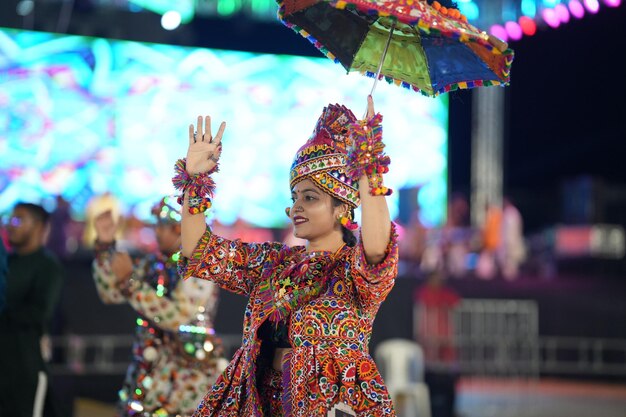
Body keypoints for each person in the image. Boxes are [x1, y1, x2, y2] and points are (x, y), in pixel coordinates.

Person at [177, 97, 399, 417]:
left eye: (310, 198)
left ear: (343, 207)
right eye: (295, 198)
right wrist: (194, 181)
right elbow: (199, 250)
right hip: (261, 403)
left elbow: (378, 248)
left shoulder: (354, 270)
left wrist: (368, 167)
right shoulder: (274, 263)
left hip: (330, 406)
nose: (296, 208)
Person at [92, 197, 225, 417]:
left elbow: (176, 316)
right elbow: (111, 293)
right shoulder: (153, 264)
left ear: (181, 228)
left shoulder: (201, 267)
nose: (156, 232)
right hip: (149, 370)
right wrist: (105, 246)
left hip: (188, 378)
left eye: (163, 226)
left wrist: (130, 282)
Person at [0, 203, 64, 417]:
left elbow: (38, 313)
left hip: (24, 372)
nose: (10, 226)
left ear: (38, 227)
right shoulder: (6, 262)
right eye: (9, 219)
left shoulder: (47, 266)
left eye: (18, 220)